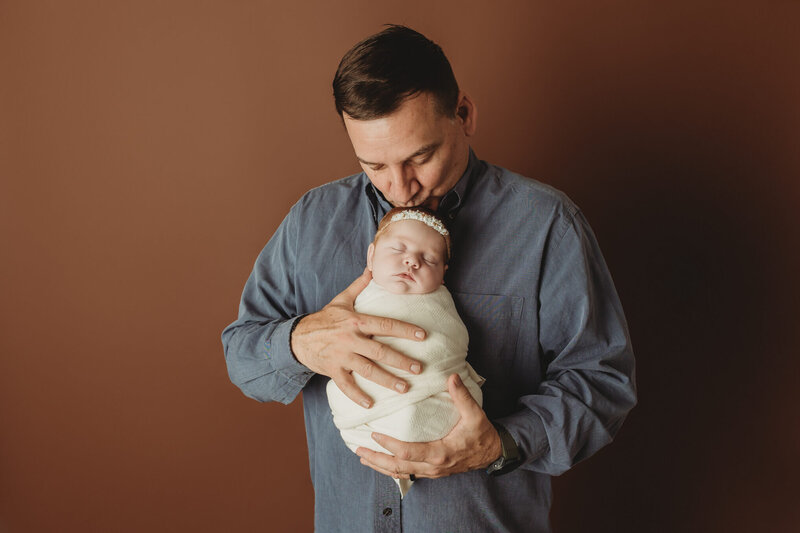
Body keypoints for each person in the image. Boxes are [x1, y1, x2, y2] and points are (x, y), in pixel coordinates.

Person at [222, 24, 636, 532]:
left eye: (419, 157)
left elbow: (602, 380)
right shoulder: (311, 221)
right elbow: (240, 353)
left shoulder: (546, 224)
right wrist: (299, 341)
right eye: (373, 164)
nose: (400, 187)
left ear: (464, 114)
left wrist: (500, 444)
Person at [326, 206, 484, 498]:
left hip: (437, 404)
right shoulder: (357, 300)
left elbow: (450, 344)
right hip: (364, 415)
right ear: (371, 256)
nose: (412, 260)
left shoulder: (440, 304)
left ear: (443, 274)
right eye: (398, 249)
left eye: (429, 259)